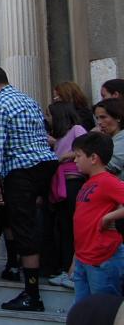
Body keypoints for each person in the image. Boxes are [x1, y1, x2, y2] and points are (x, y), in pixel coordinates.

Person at [0, 65, 58, 311]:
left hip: (21, 170)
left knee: (23, 227)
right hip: (46, 165)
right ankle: (47, 270)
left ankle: (32, 294)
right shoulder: (28, 99)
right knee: (41, 222)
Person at [72, 132, 124, 302]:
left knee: (103, 310)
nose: (75, 160)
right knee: (83, 311)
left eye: (78, 156)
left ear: (93, 158)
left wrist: (109, 217)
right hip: (84, 258)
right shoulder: (88, 183)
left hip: (102, 258)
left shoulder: (108, 181)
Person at [45, 102, 87, 288]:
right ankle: (65, 268)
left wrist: (64, 156)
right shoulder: (59, 137)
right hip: (61, 185)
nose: (48, 118)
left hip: (73, 183)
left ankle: (75, 269)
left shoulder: (76, 129)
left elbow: (87, 145)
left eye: (50, 114)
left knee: (73, 226)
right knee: (63, 227)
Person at [93, 99, 124, 178]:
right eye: (97, 118)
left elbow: (109, 166)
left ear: (118, 117)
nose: (99, 122)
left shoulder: (122, 138)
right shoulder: (109, 138)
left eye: (103, 117)